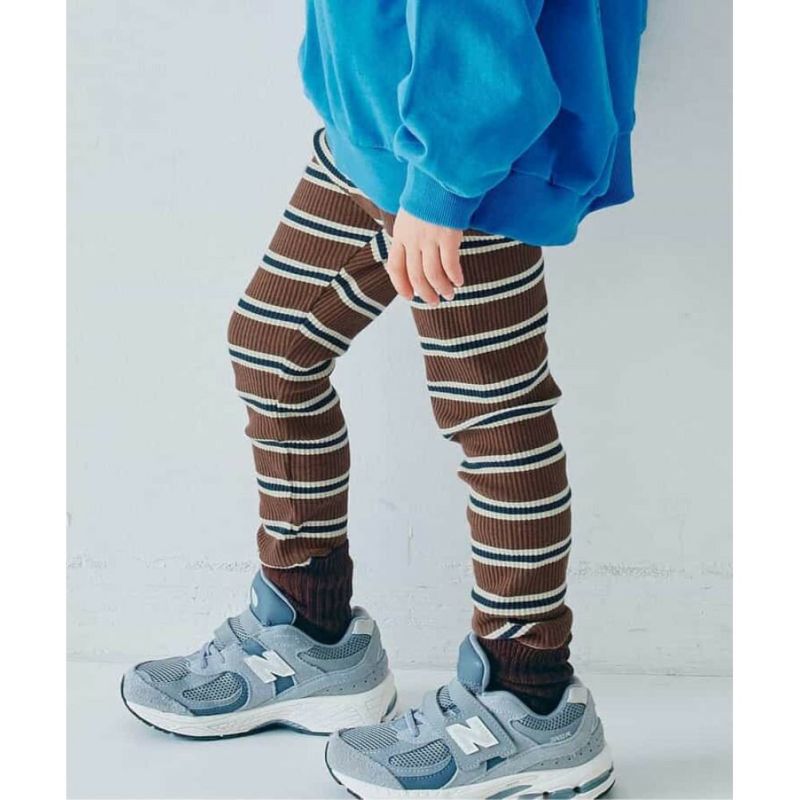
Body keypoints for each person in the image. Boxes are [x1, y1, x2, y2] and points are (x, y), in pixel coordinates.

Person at [120, 1, 647, 796]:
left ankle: (529, 697)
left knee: (494, 412)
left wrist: (444, 179)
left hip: (464, 157)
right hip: (379, 128)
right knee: (273, 346)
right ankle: (309, 626)